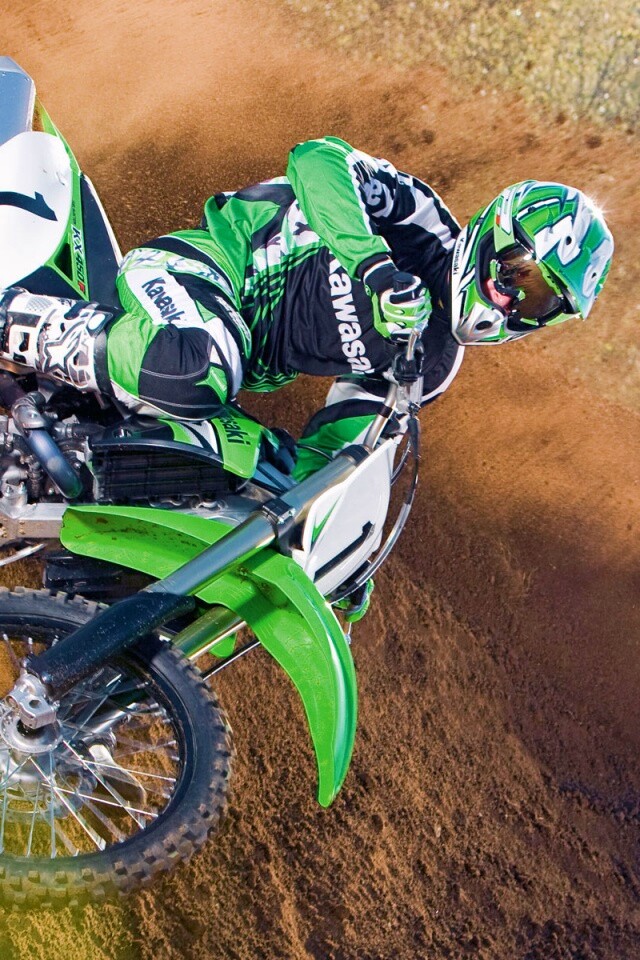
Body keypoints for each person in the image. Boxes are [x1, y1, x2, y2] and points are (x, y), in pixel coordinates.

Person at [0, 136, 614, 484]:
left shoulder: (428, 366)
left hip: (225, 371)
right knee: (202, 366)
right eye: (518, 272)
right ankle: (13, 317)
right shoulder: (418, 221)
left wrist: (339, 545)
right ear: (492, 232)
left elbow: (333, 458)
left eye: (540, 301)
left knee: (256, 473)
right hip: (203, 270)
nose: (510, 300)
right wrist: (376, 267)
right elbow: (316, 159)